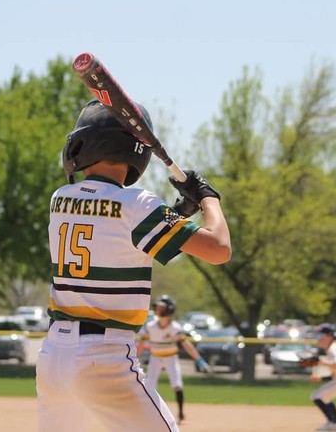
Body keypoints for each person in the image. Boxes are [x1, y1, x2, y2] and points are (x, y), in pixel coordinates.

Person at [36, 99, 231, 432]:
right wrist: (208, 197)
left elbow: (118, 242)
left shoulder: (60, 199)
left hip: (53, 356)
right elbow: (219, 249)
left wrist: (176, 216)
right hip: (104, 357)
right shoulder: (138, 204)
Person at [137, 294, 210, 424]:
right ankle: (150, 415)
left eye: (162, 307)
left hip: (171, 357)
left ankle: (181, 415)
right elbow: (141, 344)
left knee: (177, 384)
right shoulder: (151, 326)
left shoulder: (175, 327)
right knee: (150, 386)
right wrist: (134, 357)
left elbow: (187, 345)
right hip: (155, 357)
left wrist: (198, 359)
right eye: (158, 307)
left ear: (169, 309)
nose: (158, 309)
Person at [310, 324, 336, 431]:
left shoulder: (334, 348)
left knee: (317, 396)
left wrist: (320, 362)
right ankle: (335, 423)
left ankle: (334, 423)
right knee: (323, 397)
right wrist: (321, 377)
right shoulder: (330, 349)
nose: (318, 338)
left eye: (320, 335)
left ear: (329, 337)